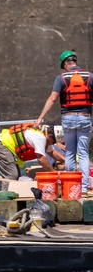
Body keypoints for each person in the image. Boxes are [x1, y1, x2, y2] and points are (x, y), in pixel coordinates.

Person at [37, 50, 93, 194]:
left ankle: (71, 186)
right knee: (83, 154)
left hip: (68, 118)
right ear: (75, 61)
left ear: (66, 63)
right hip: (84, 117)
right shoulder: (89, 76)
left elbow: (53, 99)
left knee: (69, 153)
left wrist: (40, 118)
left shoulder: (61, 78)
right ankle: (85, 187)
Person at [0, 123, 57, 191]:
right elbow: (41, 159)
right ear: (50, 137)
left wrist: (65, 160)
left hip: (4, 146)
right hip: (1, 145)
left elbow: (52, 152)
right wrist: (54, 173)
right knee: (12, 176)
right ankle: (4, 200)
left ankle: (4, 195)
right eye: (53, 142)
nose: (52, 144)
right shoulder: (40, 137)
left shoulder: (42, 133)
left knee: (15, 176)